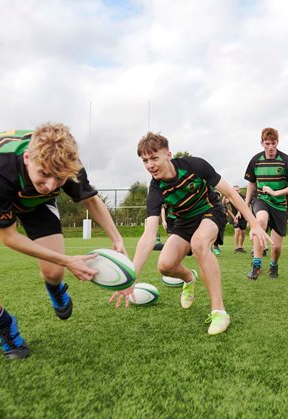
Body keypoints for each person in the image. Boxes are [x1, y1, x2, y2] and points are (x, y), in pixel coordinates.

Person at [0, 124, 127, 359]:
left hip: (36, 204)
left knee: (54, 273)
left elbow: (90, 200)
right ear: (27, 157)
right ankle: (4, 326)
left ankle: (55, 287)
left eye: (60, 179)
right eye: (44, 174)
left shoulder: (67, 161)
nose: (51, 186)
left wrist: (117, 239)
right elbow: (8, 236)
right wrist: (68, 260)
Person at [110, 132, 270, 335]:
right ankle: (189, 279)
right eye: (145, 161)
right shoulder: (156, 190)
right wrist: (130, 277)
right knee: (165, 265)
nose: (149, 165)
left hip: (210, 211)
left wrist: (254, 223)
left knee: (200, 243)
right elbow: (149, 235)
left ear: (168, 154)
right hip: (184, 223)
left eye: (154, 158)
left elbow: (230, 193)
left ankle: (219, 311)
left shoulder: (194, 165)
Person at [244, 127, 288, 280]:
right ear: (262, 143)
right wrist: (245, 205)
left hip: (280, 205)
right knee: (260, 220)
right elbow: (251, 184)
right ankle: (256, 265)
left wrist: (276, 193)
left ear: (277, 142)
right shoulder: (256, 160)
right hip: (261, 199)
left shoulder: (285, 160)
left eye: (273, 143)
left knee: (276, 248)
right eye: (267, 143)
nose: (270, 147)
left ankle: (273, 265)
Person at [224, 185, 248, 253]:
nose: (236, 192)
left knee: (243, 233)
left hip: (243, 217)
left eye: (237, 190)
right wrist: (225, 198)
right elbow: (226, 206)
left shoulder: (243, 197)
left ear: (239, 190)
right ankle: (236, 248)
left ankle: (240, 247)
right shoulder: (231, 197)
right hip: (235, 217)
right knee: (237, 231)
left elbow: (242, 206)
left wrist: (239, 213)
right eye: (235, 190)